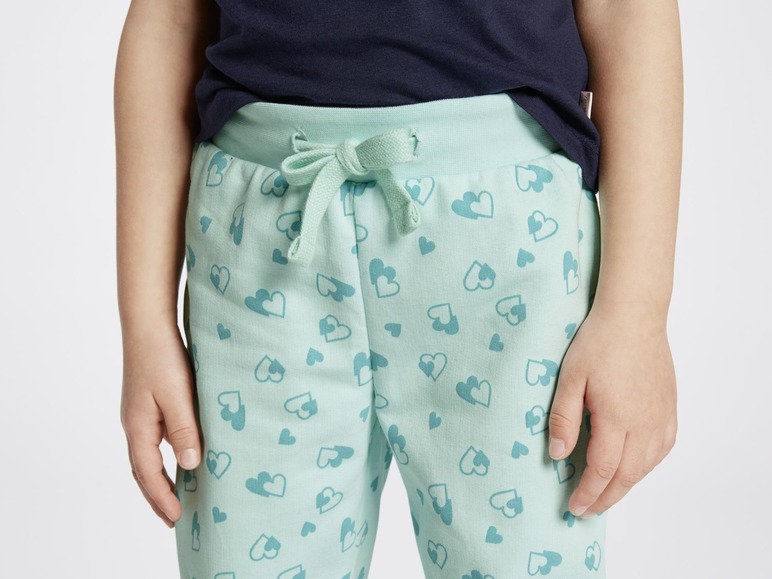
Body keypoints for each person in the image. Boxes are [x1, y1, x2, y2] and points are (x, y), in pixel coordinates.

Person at [115, 0, 682, 577]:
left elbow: (627, 11)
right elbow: (169, 17)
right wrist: (145, 326)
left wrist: (637, 314)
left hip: (509, 248)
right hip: (261, 238)